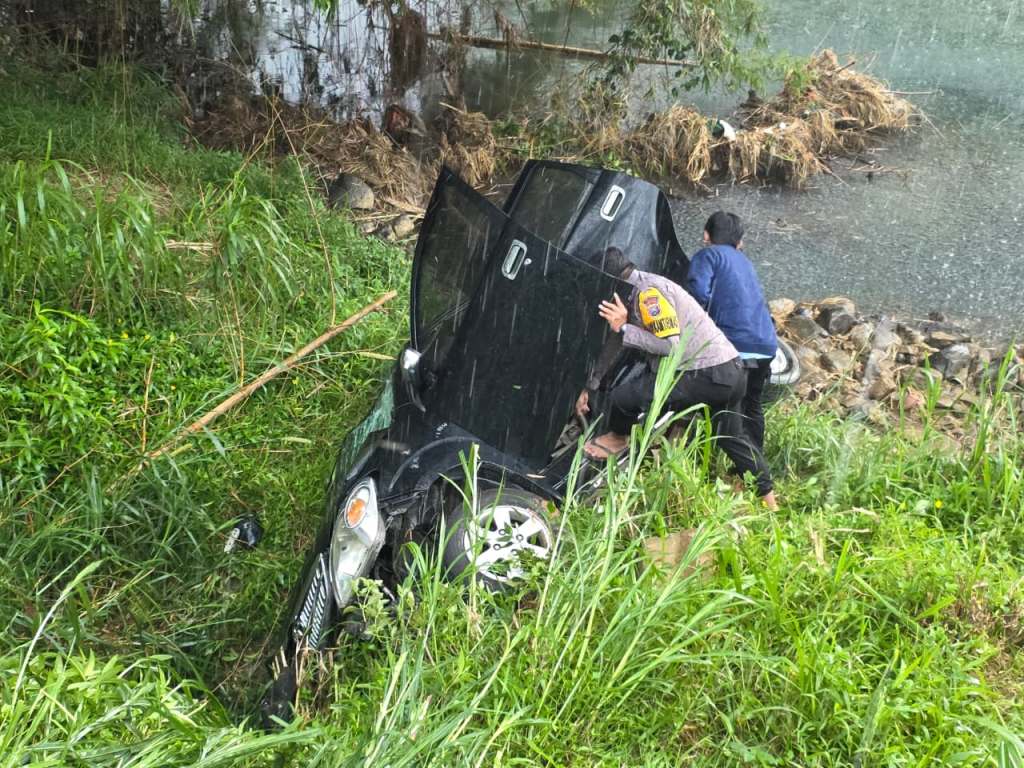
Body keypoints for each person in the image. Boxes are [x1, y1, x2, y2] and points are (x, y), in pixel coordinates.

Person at [577, 247, 777, 509]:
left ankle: (620, 438)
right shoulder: (642, 287)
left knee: (624, 398)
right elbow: (618, 341)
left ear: (613, 280)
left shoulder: (648, 295)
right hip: (732, 371)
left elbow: (671, 346)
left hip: (707, 373)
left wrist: (625, 327)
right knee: (733, 439)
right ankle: (771, 504)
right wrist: (589, 385)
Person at [686, 211, 777, 452]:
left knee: (722, 405)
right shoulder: (745, 262)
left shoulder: (707, 256)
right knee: (752, 405)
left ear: (706, 235)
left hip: (734, 345)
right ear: (740, 242)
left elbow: (698, 294)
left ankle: (711, 456)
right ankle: (754, 467)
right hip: (766, 345)